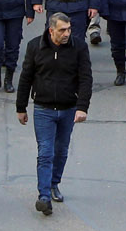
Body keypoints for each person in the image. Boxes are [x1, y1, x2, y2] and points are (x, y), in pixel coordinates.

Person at [17, 12, 93, 216]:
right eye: (62, 30)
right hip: (43, 109)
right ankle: (43, 196)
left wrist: (82, 107)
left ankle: (53, 184)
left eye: (69, 29)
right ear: (51, 31)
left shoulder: (79, 47)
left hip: (68, 108)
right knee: (45, 152)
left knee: (61, 151)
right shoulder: (35, 46)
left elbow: (85, 78)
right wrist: (21, 107)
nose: (67, 33)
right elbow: (26, 77)